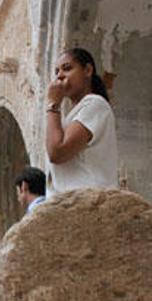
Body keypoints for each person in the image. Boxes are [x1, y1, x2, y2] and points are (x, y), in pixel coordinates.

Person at [44, 48, 118, 197]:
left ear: (88, 70)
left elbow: (57, 152)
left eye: (67, 68)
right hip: (69, 204)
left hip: (87, 201)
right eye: (56, 72)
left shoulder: (95, 104)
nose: (60, 76)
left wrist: (53, 104)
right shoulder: (72, 116)